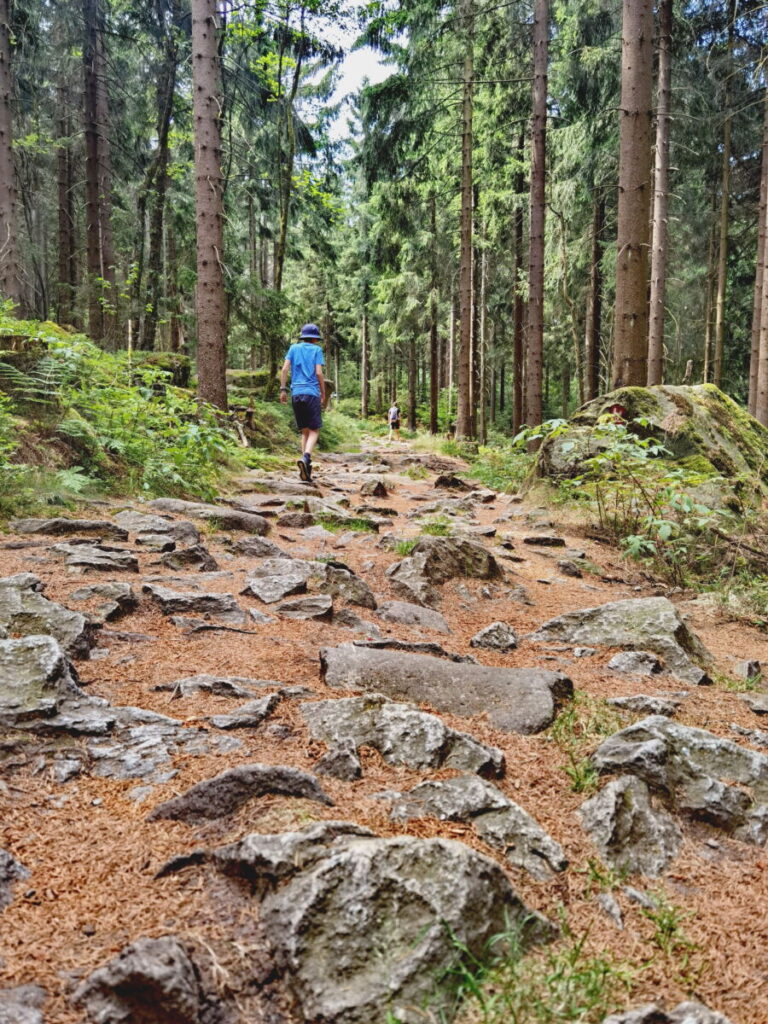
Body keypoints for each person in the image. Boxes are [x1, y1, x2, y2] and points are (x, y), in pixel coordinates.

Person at [280, 323, 326, 482]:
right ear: (315, 339)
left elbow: (285, 369)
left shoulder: (293, 348)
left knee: (305, 431)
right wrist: (323, 392)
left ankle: (306, 468)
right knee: (314, 430)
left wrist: (283, 389)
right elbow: (319, 373)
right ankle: (306, 458)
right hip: (311, 393)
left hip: (296, 393)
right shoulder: (316, 350)